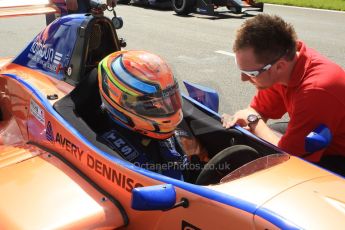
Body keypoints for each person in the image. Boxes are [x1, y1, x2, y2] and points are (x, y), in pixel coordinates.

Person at [221, 14, 345, 174]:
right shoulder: (285, 67)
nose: (243, 78)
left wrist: (251, 120)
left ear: (279, 66)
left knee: (275, 172)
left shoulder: (316, 90)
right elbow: (258, 111)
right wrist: (247, 120)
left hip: (339, 157)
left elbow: (287, 157)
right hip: (326, 142)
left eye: (250, 73)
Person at [96, 50, 208, 181]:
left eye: (170, 99)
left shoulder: (174, 134)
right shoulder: (111, 153)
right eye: (152, 105)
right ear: (121, 101)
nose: (166, 109)